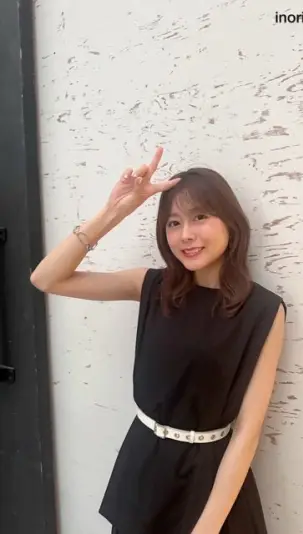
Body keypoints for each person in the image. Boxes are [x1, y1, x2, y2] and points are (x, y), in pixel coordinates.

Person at [30, 147, 286, 534]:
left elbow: (248, 431)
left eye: (200, 217)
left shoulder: (263, 310)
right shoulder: (152, 286)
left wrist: (206, 528)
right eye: (173, 223)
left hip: (210, 479)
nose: (186, 235)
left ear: (230, 222)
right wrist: (115, 210)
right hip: (145, 466)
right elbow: (46, 278)